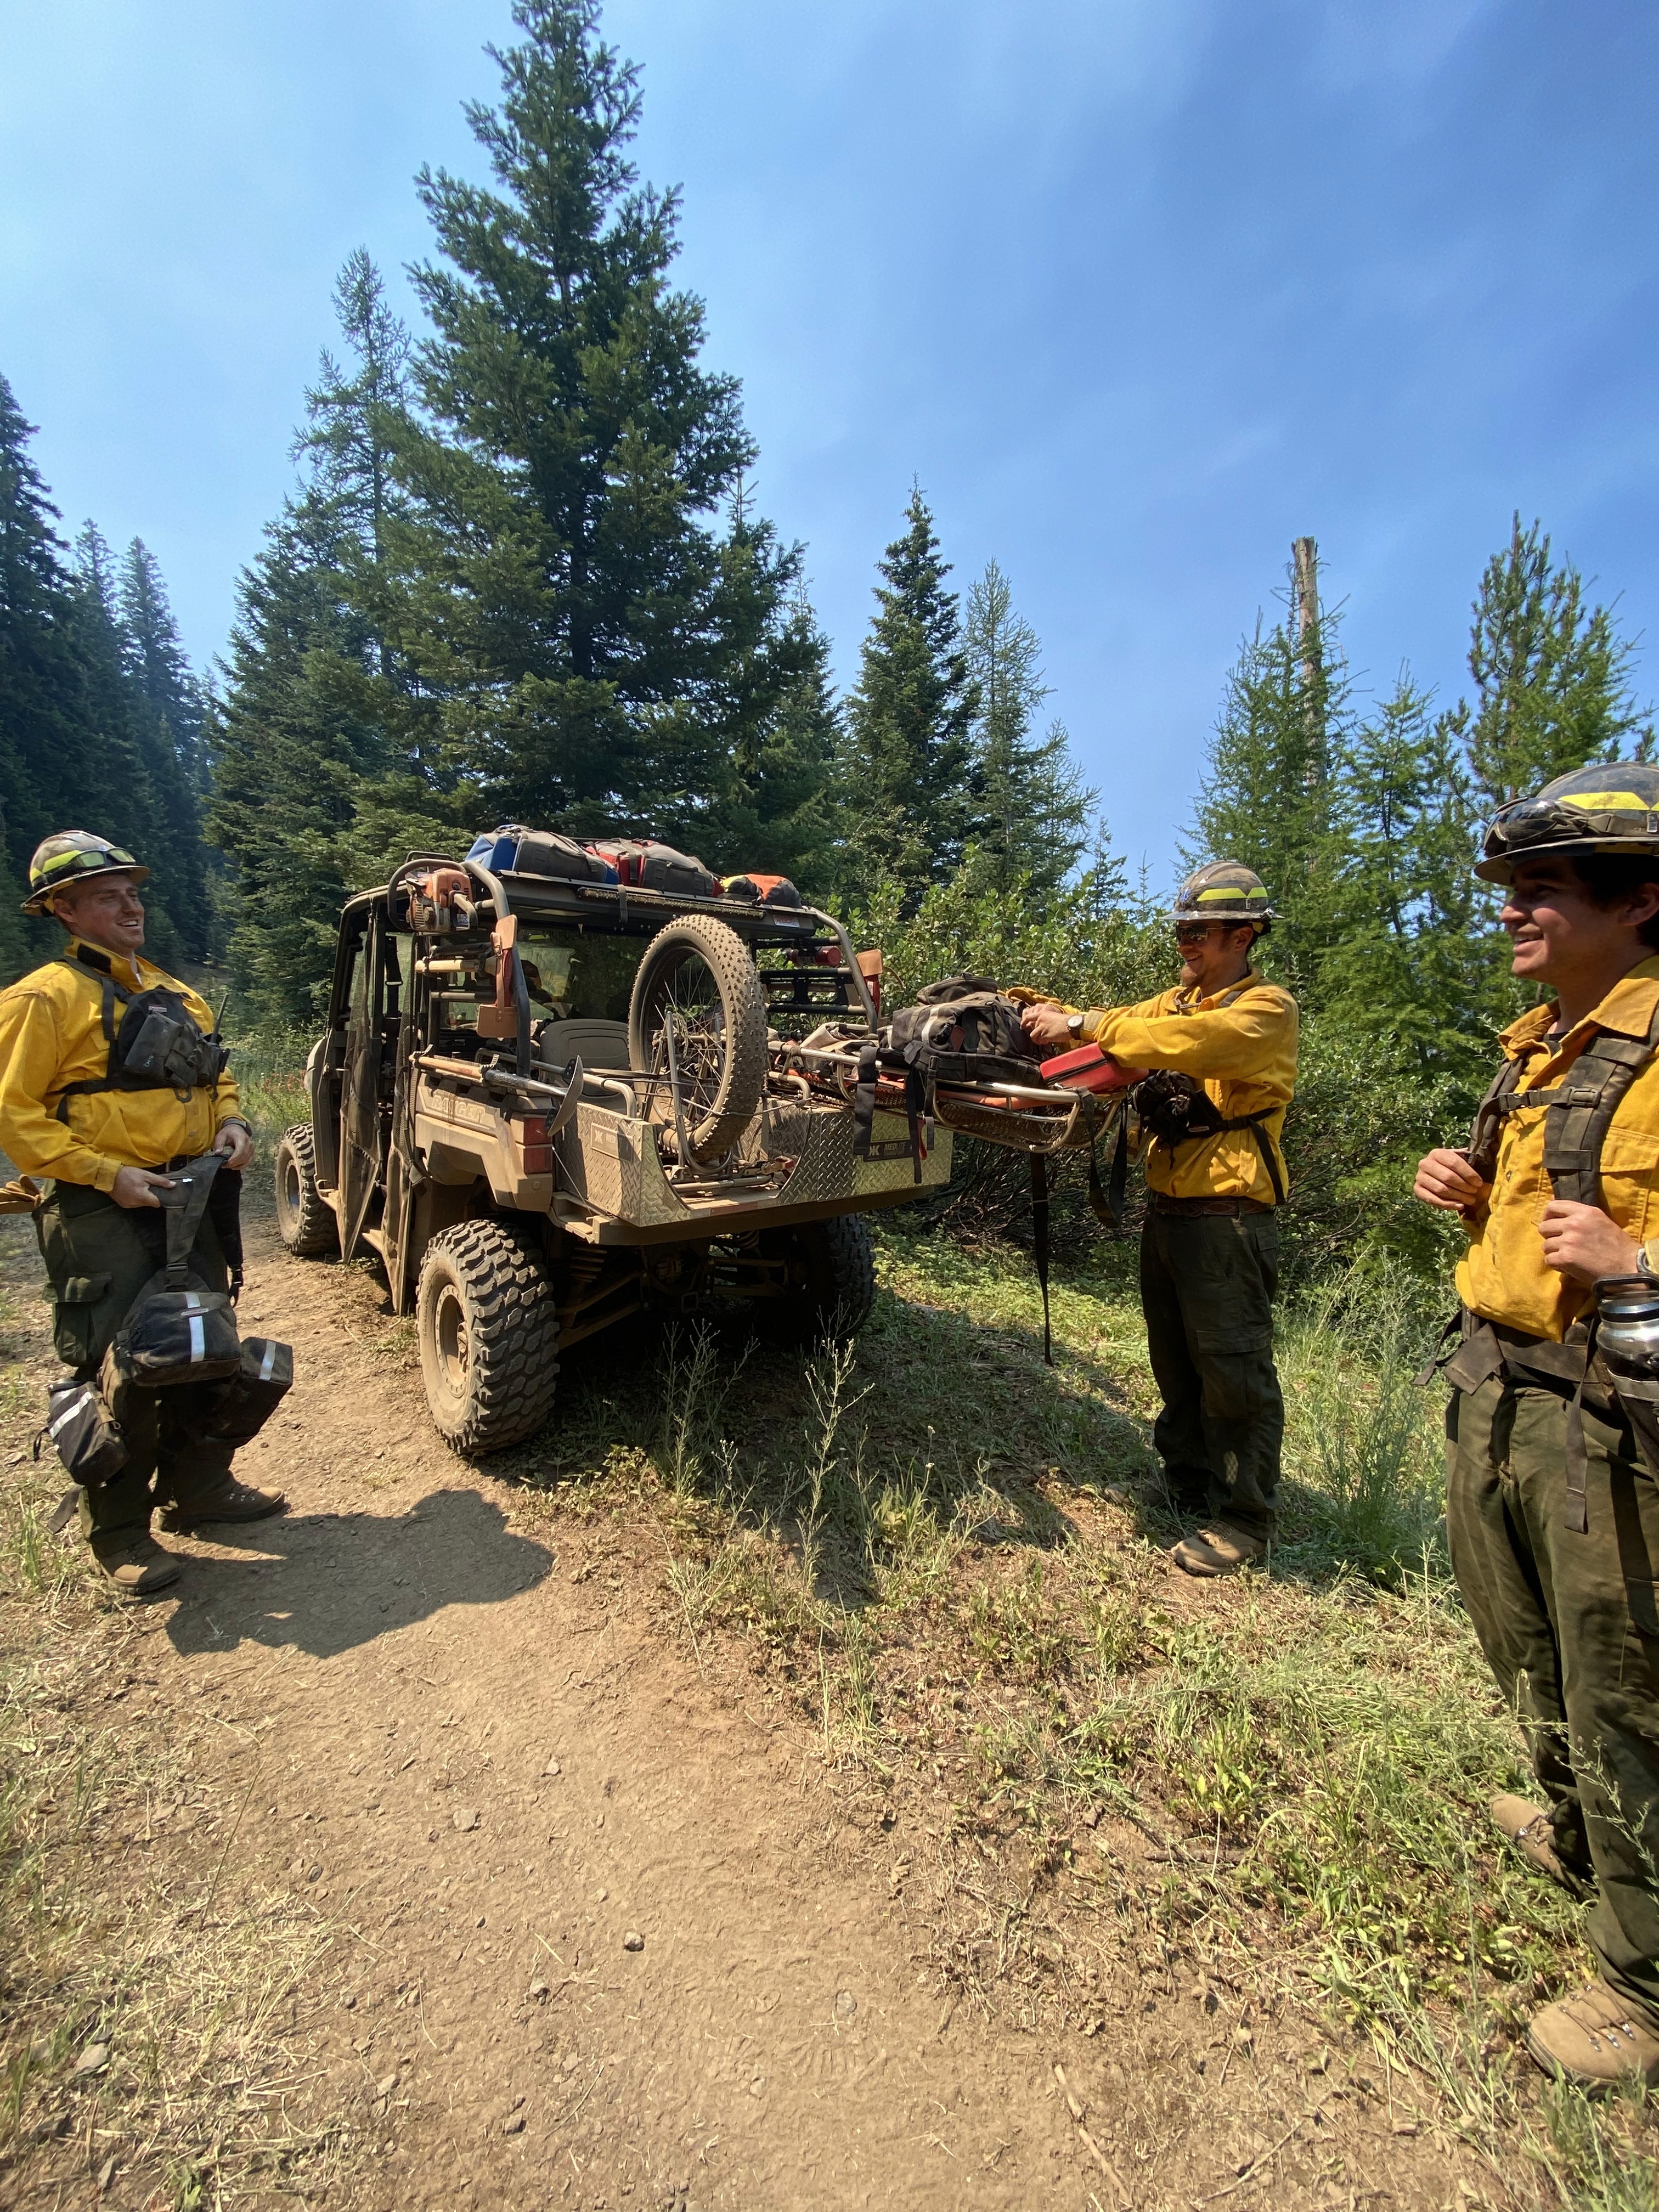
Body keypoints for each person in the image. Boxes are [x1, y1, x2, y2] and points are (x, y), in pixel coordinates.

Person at [1414, 763, 1659, 2090]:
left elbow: (1618, 1245)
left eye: (1542, 889)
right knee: (1523, 1645)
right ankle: (1576, 1833)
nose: (1511, 911)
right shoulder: (1540, 1048)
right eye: (1510, 888)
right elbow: (1531, 1222)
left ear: (1641, 902)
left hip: (1609, 1425)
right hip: (1498, 1387)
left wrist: (1639, 1264)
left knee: (1627, 1690)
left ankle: (1644, 1983)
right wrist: (1468, 1196)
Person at [0, 832, 284, 1598]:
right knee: (123, 1363)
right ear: (64, 910)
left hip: (190, 1195)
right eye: (108, 897)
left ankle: (201, 1488)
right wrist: (106, 1173)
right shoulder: (41, 999)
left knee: (203, 1343)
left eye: (132, 893)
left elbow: (216, 1079)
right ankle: (121, 1530)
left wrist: (233, 1125)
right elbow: (14, 1115)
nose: (131, 907)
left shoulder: (177, 992)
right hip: (102, 1204)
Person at [1020, 862, 1296, 1577]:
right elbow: (1123, 1027)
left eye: (1199, 931)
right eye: (1182, 931)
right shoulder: (1176, 1003)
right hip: (1171, 1214)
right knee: (1175, 1362)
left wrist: (1082, 1024)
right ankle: (1187, 1484)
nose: (1186, 943)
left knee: (1232, 1370)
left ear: (1243, 935)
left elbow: (1182, 1041)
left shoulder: (1265, 1010)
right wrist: (1043, 1012)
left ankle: (1245, 1518)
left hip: (1230, 1219)